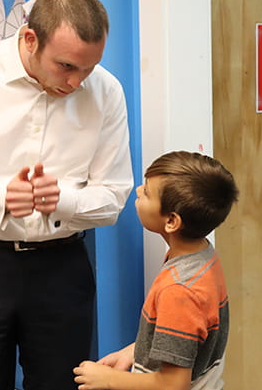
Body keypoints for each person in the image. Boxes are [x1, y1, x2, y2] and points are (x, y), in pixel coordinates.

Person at [0, 0, 133, 390]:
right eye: (67, 66)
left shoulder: (106, 91)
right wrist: (0, 197)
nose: (76, 82)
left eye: (88, 69)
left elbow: (112, 198)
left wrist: (62, 200)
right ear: (30, 39)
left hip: (62, 267)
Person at [74, 151, 239, 390]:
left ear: (172, 221)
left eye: (148, 192)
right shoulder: (203, 257)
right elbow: (189, 339)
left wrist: (108, 379)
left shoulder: (179, 289)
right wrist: (135, 351)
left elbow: (173, 384)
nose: (139, 191)